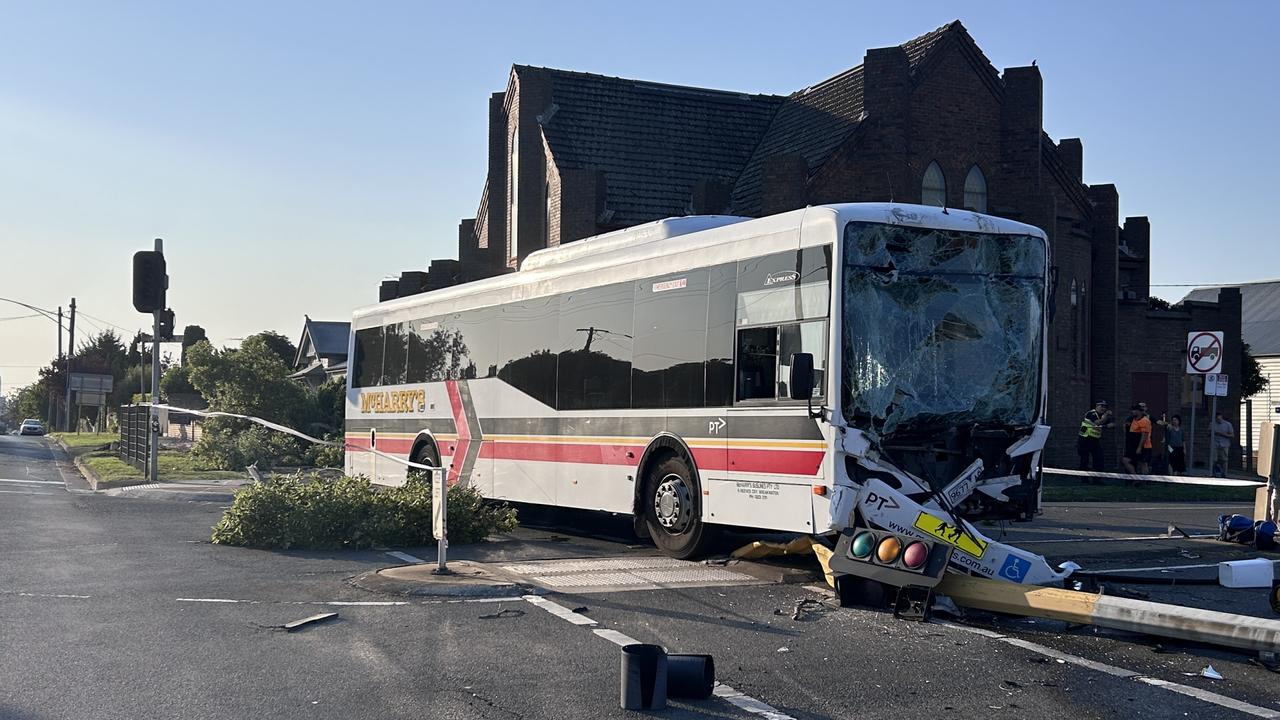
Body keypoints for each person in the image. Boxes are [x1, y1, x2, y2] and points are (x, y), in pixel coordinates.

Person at [1077, 400, 1113, 479]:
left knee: (1099, 459)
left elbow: (1111, 424)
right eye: (1101, 406)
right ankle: (1084, 479)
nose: (1103, 408)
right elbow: (1098, 423)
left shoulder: (1103, 416)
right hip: (1085, 439)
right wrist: (1106, 417)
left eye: (1105, 407)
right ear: (1096, 406)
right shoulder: (1091, 413)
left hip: (1095, 440)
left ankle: (1097, 479)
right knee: (1084, 459)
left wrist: (1108, 422)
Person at [1121, 404, 1152, 477]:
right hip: (1132, 445)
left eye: (1135, 410)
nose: (1133, 412)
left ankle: (1145, 480)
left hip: (1143, 446)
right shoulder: (1132, 419)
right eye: (1132, 410)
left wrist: (1140, 447)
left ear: (1139, 411)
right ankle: (1135, 477)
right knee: (1125, 460)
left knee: (1143, 463)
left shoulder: (1145, 420)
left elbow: (1144, 435)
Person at [1211, 411, 1234, 478]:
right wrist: (1213, 433)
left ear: (1221, 417)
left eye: (1219, 419)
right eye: (1217, 419)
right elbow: (1208, 433)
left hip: (1224, 444)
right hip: (1215, 444)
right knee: (1214, 459)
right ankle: (1214, 473)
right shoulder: (1212, 424)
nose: (1218, 420)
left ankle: (1224, 473)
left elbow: (1232, 435)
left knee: (1224, 459)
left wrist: (1223, 434)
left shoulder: (1228, 424)